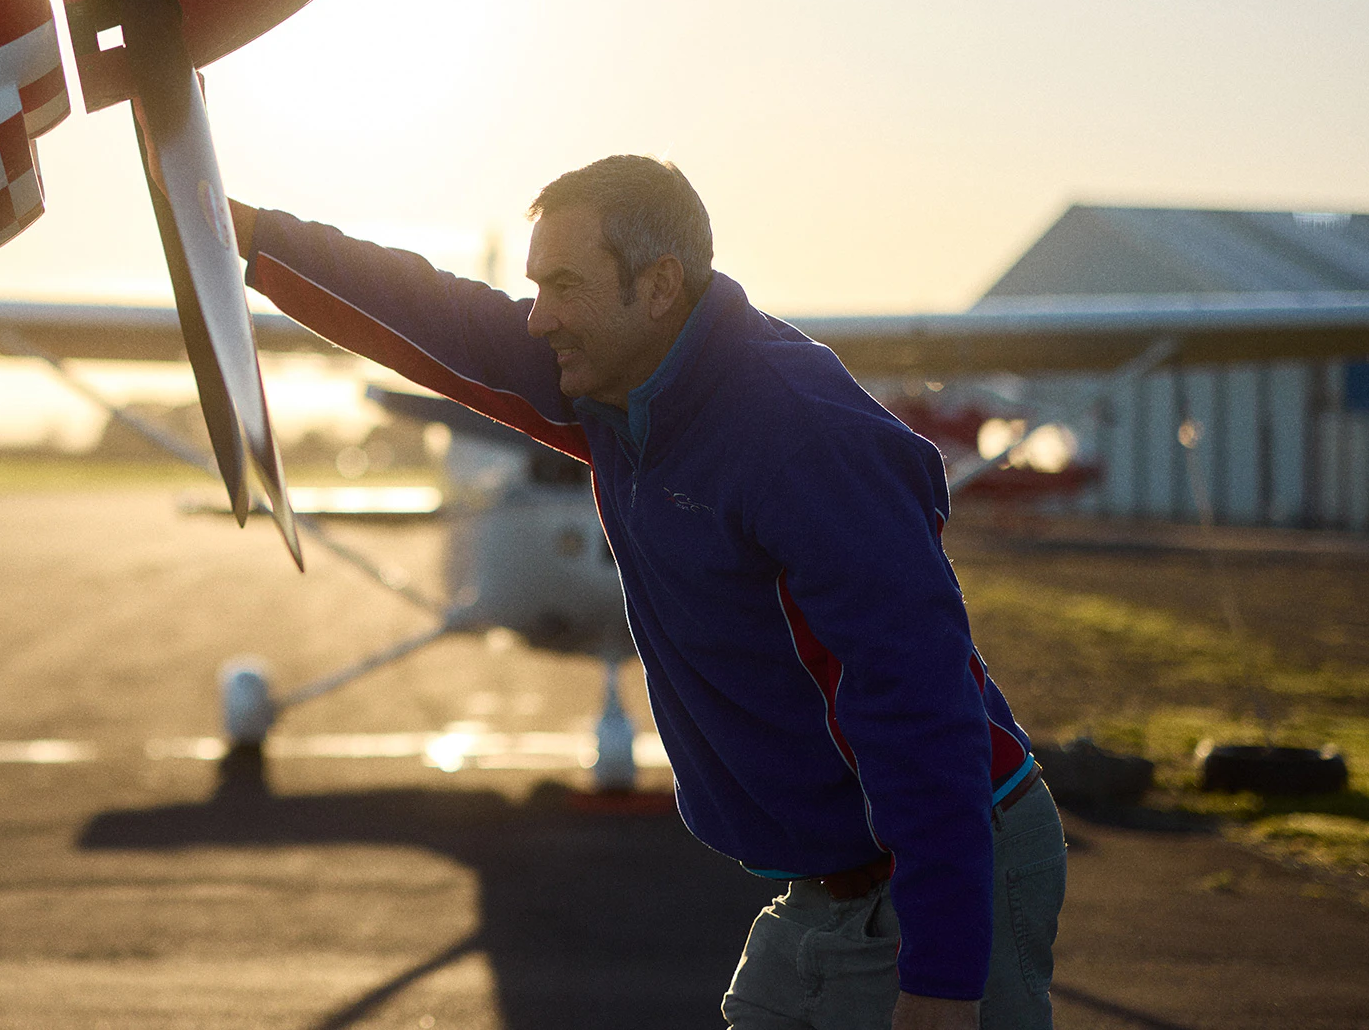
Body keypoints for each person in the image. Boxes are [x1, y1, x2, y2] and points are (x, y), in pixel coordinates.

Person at [231, 156, 1063, 1030]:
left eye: (564, 286)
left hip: (946, 867)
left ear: (659, 286)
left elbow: (919, 700)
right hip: (824, 887)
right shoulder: (616, 387)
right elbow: (438, 315)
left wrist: (943, 976)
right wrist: (247, 237)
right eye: (535, 287)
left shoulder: (802, 436)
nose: (538, 318)